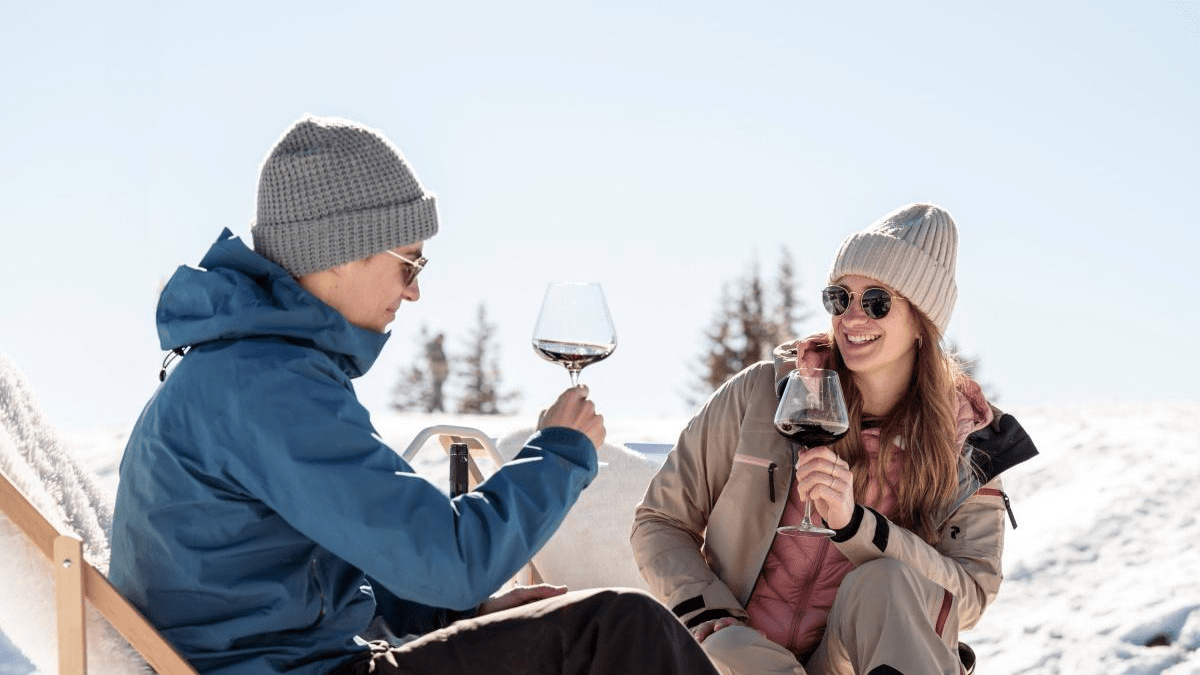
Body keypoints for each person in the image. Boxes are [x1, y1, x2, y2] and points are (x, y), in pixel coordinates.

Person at [109, 116, 719, 675]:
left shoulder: (243, 370)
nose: (414, 292)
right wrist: (560, 451)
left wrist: (463, 614)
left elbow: (328, 571)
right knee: (619, 631)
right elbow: (452, 561)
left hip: (300, 664)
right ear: (341, 252)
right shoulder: (267, 385)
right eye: (410, 265)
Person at [631, 203, 1039, 675]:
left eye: (877, 302)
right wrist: (712, 617)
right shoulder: (763, 394)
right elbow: (660, 519)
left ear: (922, 321)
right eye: (840, 298)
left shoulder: (966, 442)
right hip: (739, 654)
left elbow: (967, 599)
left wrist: (857, 526)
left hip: (851, 663)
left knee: (886, 580)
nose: (852, 317)